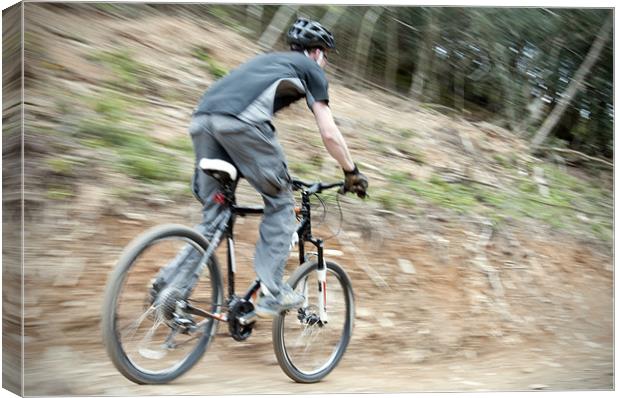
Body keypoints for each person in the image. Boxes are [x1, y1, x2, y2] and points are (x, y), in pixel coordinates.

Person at [188, 18, 368, 317]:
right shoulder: (310, 68)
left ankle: (170, 290)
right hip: (240, 123)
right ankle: (273, 290)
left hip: (202, 120)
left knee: (213, 220)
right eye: (325, 56)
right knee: (282, 203)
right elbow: (329, 132)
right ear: (317, 53)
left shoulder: (267, 62)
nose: (324, 62)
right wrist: (351, 172)